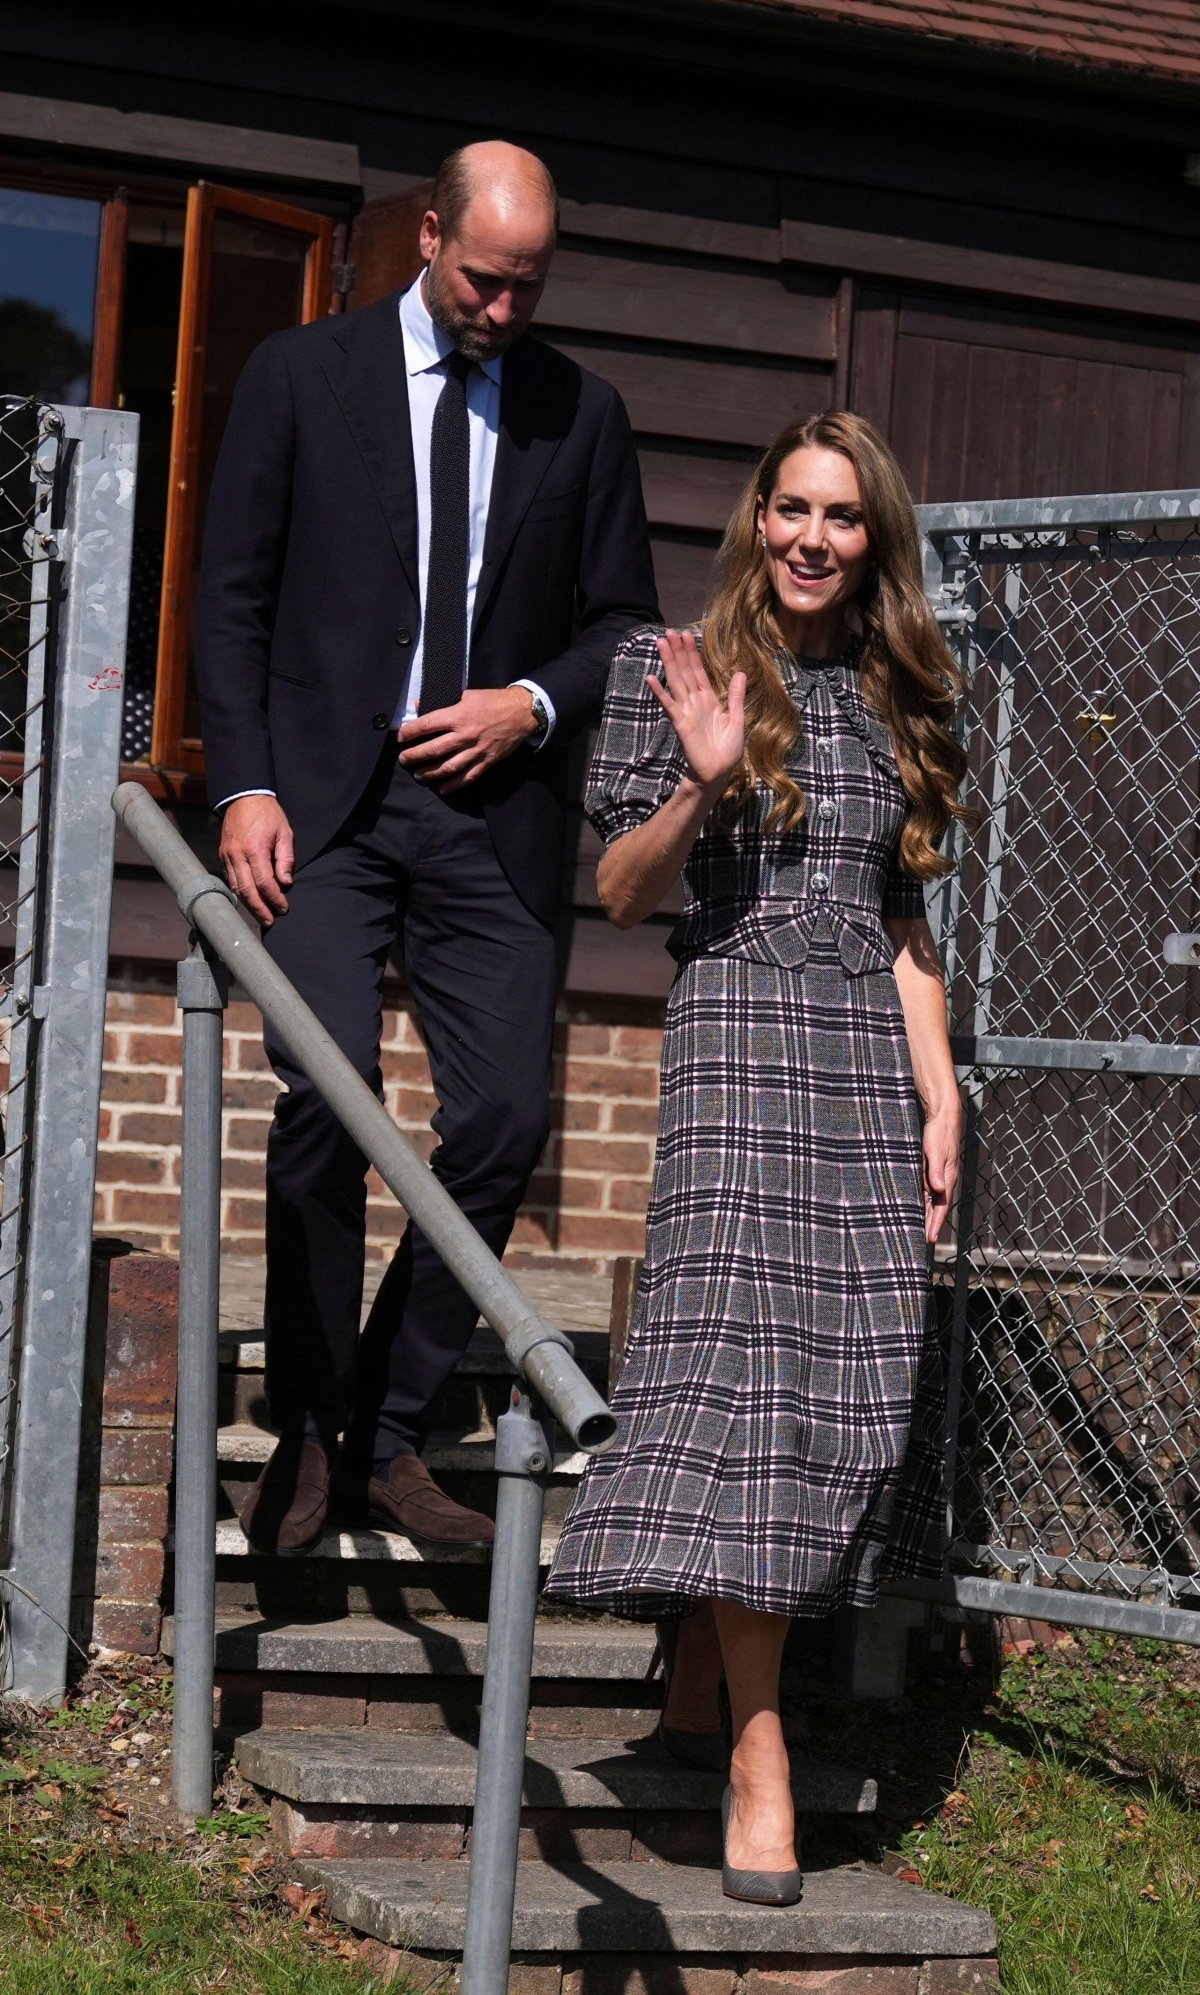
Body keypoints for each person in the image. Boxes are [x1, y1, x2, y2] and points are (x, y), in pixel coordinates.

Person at [194, 141, 658, 1556]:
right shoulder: (299, 377)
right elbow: (233, 601)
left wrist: (527, 706)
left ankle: (387, 1430)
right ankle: (313, 1430)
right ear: (430, 239)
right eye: (482, 278)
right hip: (323, 809)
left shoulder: (584, 415)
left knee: (508, 1118)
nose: (504, 310)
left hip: (488, 821)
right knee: (327, 1098)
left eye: (529, 287)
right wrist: (245, 789)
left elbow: (619, 629)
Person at [543, 411, 973, 1905]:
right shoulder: (670, 670)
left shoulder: (909, 697)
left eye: (841, 517)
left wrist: (942, 1097)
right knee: (745, 1373)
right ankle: (761, 1755)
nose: (809, 538)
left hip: (864, 1065)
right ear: (755, 518)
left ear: (875, 540)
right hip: (736, 1051)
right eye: (789, 509)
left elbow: (904, 924)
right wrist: (706, 781)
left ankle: (695, 1684)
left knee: (851, 1378)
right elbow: (615, 891)